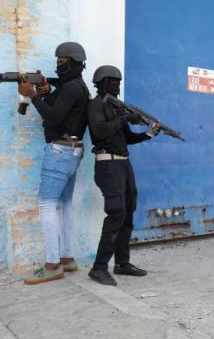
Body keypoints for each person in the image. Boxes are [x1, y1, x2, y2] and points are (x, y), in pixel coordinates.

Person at [18, 42, 90, 284]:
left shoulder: (71, 87)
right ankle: (67, 258)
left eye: (61, 61)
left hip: (60, 151)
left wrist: (33, 95)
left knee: (46, 205)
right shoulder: (77, 87)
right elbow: (61, 110)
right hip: (73, 151)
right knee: (65, 205)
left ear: (71, 62)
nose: (58, 65)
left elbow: (53, 116)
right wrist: (47, 92)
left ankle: (52, 264)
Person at [87, 65, 160, 286]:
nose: (118, 86)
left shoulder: (116, 108)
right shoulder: (96, 105)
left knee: (127, 213)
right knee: (116, 214)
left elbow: (126, 138)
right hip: (107, 165)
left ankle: (122, 263)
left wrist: (148, 134)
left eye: (119, 82)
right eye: (113, 82)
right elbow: (98, 132)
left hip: (123, 165)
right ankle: (99, 268)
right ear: (102, 83)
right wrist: (126, 118)